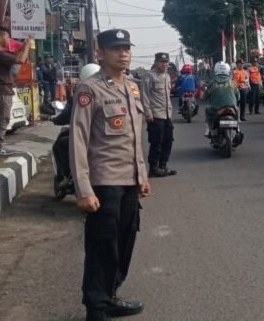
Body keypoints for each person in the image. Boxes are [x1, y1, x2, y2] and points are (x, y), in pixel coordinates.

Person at [69, 29, 149, 321]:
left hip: (129, 181)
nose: (123, 53)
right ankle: (97, 307)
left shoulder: (132, 87)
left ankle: (110, 294)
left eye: (126, 47)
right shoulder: (90, 89)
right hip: (104, 183)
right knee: (102, 246)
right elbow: (78, 139)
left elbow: (134, 136)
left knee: (125, 242)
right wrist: (83, 189)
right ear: (100, 53)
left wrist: (142, 175)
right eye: (116, 48)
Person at [0, 26, 32, 156]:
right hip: (2, 92)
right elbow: (21, 60)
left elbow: (13, 57)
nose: (8, 39)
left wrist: (21, 47)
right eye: (6, 36)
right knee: (2, 120)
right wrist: (27, 45)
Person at [141, 53, 176, 178]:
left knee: (168, 141)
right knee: (156, 142)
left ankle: (163, 166)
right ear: (156, 62)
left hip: (167, 115)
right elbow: (144, 96)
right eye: (162, 61)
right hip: (155, 115)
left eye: (166, 62)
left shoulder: (167, 76)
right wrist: (147, 113)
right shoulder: (149, 77)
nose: (164, 64)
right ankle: (153, 168)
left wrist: (170, 114)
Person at [204, 62, 241, 137]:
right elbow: (238, 97)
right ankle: (238, 127)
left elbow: (205, 97)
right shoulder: (232, 83)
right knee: (237, 109)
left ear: (216, 70)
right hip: (231, 107)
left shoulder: (212, 83)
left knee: (207, 109)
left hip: (216, 109)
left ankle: (210, 129)